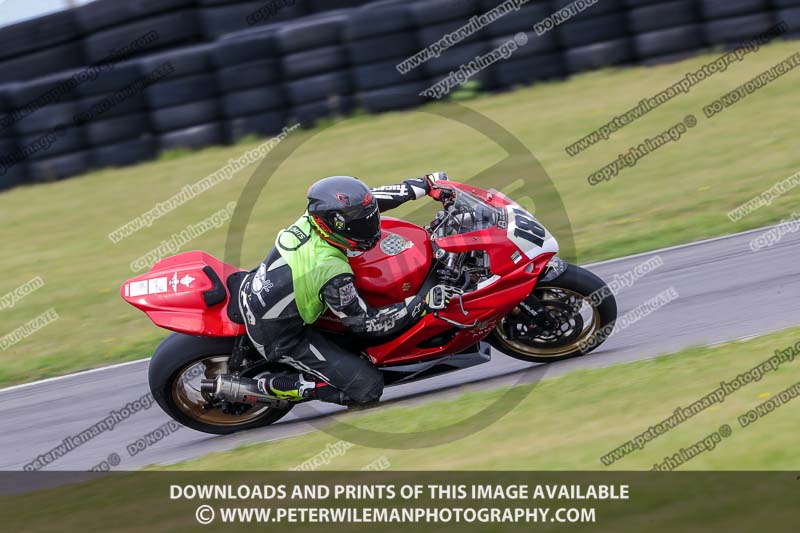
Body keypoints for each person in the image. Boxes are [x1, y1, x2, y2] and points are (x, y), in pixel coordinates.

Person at [238, 172, 458, 406]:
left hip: (261, 288)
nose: (370, 227)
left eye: (367, 220)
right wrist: (422, 304)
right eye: (359, 226)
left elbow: (371, 200)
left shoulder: (315, 216)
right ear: (335, 226)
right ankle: (277, 387)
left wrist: (423, 185)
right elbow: (367, 324)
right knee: (367, 388)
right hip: (282, 336)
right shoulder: (330, 271)